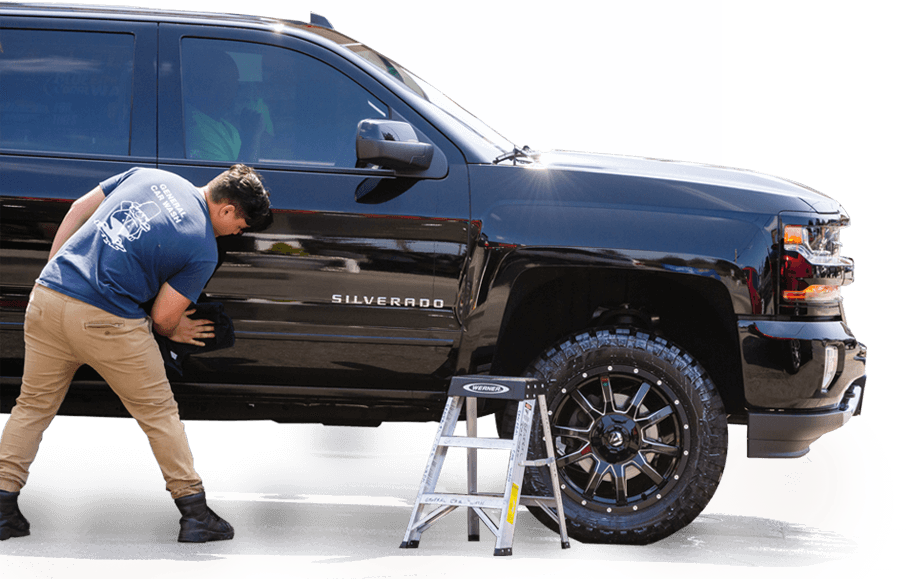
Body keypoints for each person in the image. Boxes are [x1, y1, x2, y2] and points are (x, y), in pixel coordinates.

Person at [0, 165, 272, 542]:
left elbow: (79, 207)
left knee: (31, 407)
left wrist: (53, 269)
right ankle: (194, 513)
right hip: (106, 321)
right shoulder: (203, 247)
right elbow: (162, 318)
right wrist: (179, 328)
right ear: (227, 210)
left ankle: (1, 511)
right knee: (159, 413)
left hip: (47, 297)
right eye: (240, 226)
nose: (236, 233)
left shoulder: (148, 175)